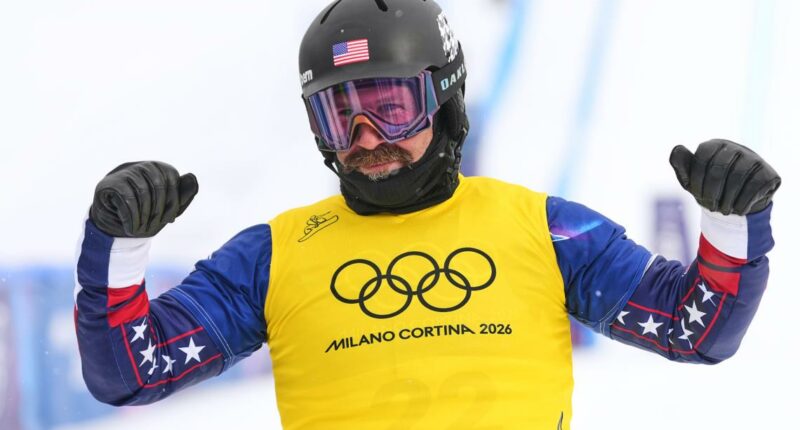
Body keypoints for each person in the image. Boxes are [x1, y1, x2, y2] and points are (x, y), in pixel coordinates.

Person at [74, 0, 781, 428]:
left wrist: (732, 221)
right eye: (338, 115)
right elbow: (131, 372)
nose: (365, 140)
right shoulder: (272, 255)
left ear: (444, 101)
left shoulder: (548, 229)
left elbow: (699, 332)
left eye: (388, 107)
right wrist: (118, 246)